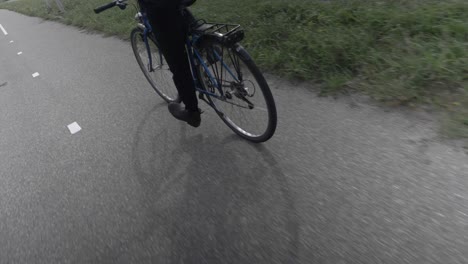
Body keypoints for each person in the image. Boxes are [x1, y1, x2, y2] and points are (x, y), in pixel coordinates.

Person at [138, 0, 201, 127]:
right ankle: (210, 49)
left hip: (162, 10)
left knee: (178, 63)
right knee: (191, 28)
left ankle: (192, 112)